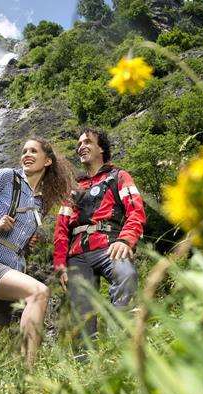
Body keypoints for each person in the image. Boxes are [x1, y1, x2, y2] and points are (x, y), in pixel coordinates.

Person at [0, 137, 73, 365]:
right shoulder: (6, 177)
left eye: (33, 151)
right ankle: (29, 373)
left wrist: (26, 241)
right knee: (38, 293)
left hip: (9, 269)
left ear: (48, 161)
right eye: (24, 151)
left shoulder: (41, 202)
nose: (26, 155)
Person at [53, 127, 146, 345]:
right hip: (76, 255)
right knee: (80, 308)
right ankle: (85, 364)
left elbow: (136, 210)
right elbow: (61, 228)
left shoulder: (119, 176)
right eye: (78, 145)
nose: (81, 147)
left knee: (126, 274)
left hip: (110, 245)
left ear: (101, 148)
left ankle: (121, 347)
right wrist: (60, 264)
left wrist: (126, 239)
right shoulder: (73, 188)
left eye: (87, 142)